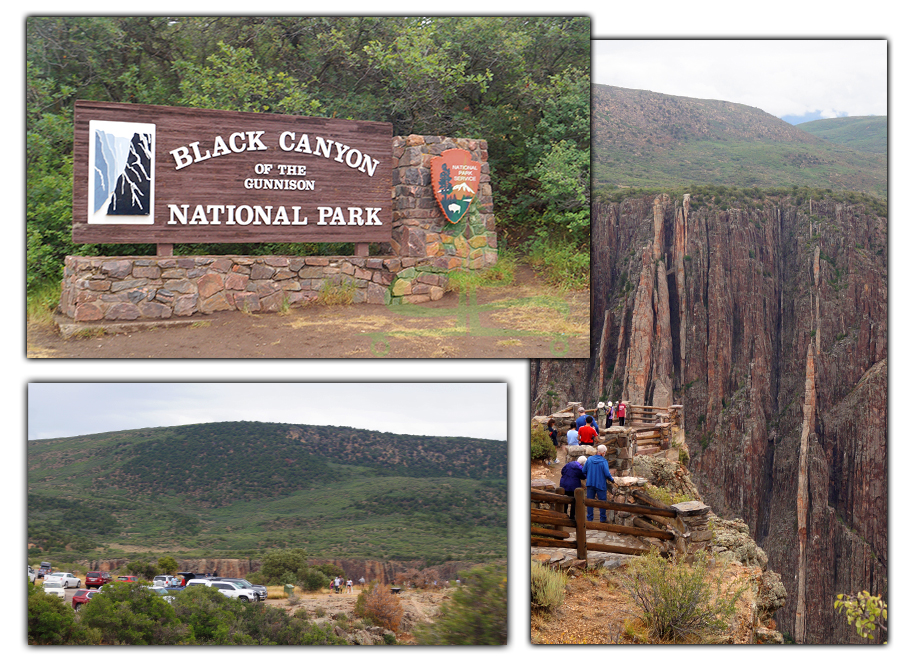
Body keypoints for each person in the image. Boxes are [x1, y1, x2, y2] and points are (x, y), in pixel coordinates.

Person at [583, 445, 616, 523]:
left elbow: (583, 470)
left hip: (590, 483)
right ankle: (602, 518)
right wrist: (612, 480)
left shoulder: (589, 459)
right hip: (600, 484)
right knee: (602, 502)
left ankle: (589, 518)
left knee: (590, 501)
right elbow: (607, 474)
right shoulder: (604, 461)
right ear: (603, 452)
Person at [559, 455, 587, 520]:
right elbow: (583, 476)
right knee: (574, 501)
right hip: (573, 486)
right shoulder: (580, 468)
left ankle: (564, 514)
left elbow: (562, 471)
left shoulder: (569, 464)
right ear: (583, 463)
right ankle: (572, 517)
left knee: (565, 500)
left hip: (564, 484)